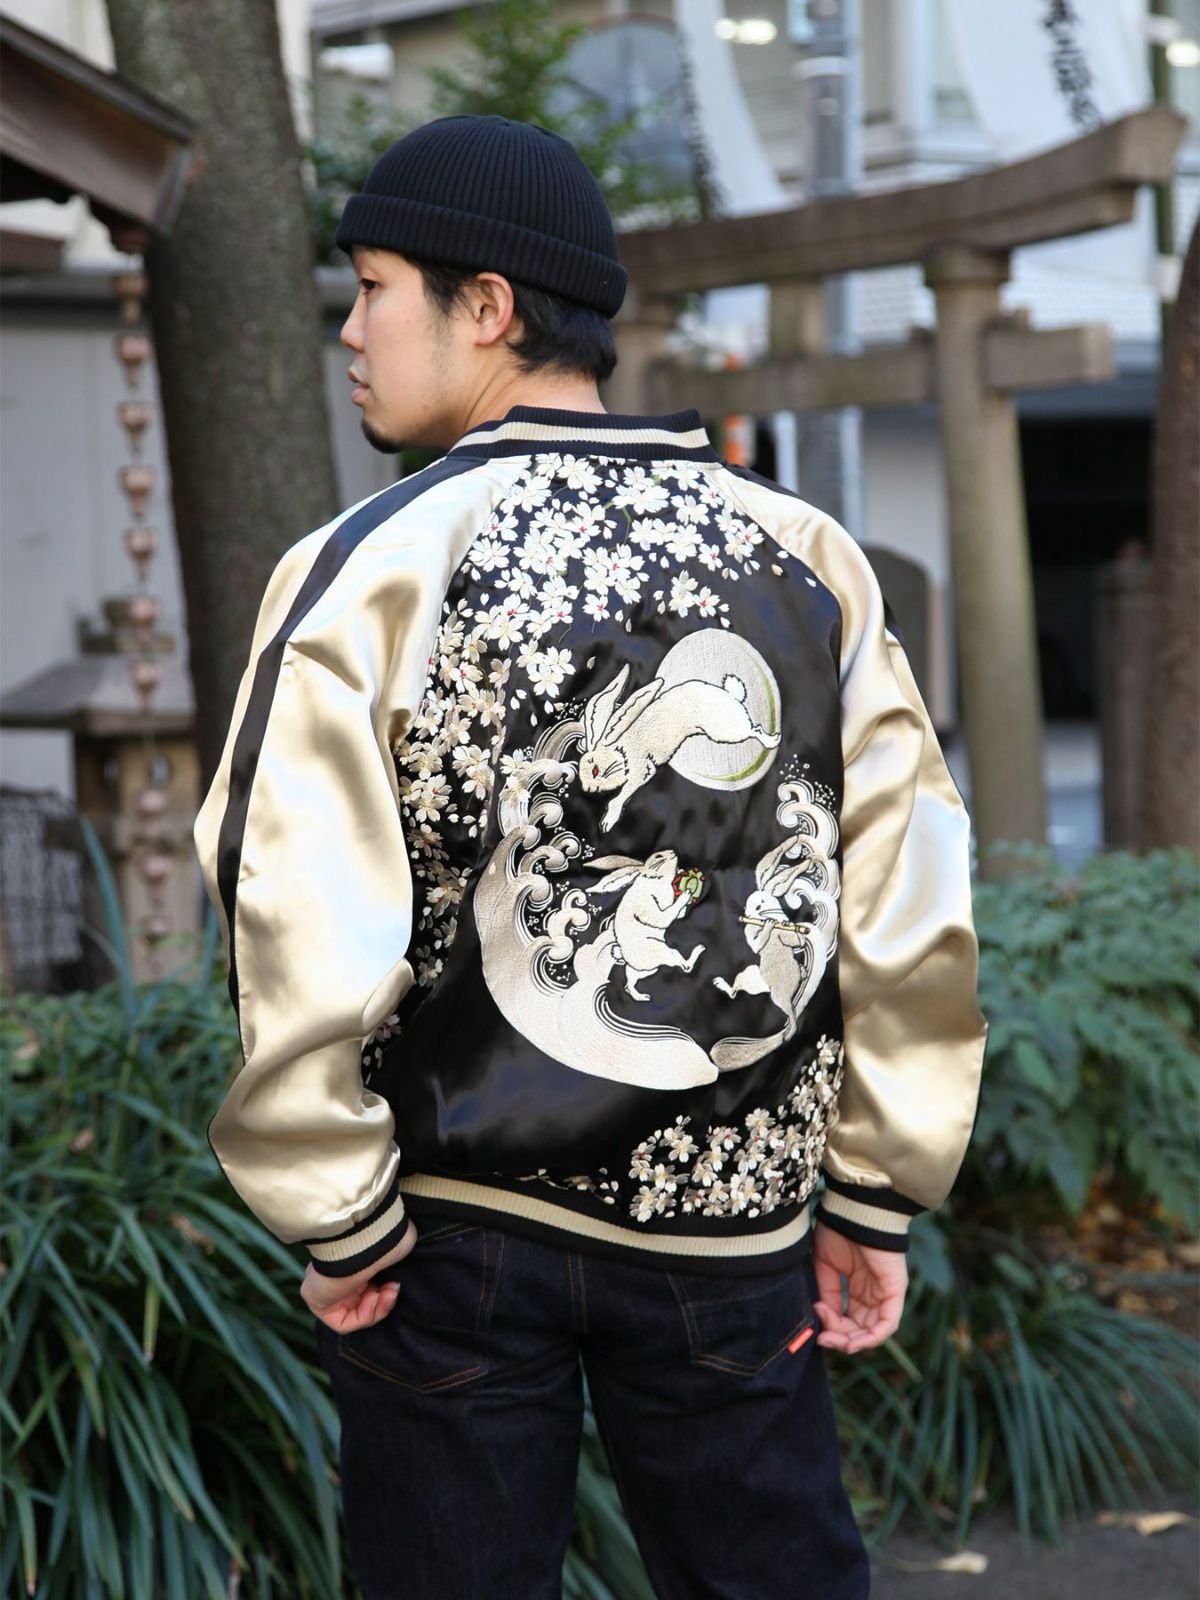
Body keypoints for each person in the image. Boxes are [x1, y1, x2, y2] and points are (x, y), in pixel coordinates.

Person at [192, 113, 988, 1600]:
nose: (350, 331)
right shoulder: (804, 557)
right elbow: (908, 887)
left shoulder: (378, 562)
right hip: (730, 1223)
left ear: (487, 305)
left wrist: (332, 1204)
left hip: (453, 1235)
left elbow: (285, 897)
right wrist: (876, 1184)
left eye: (373, 288)